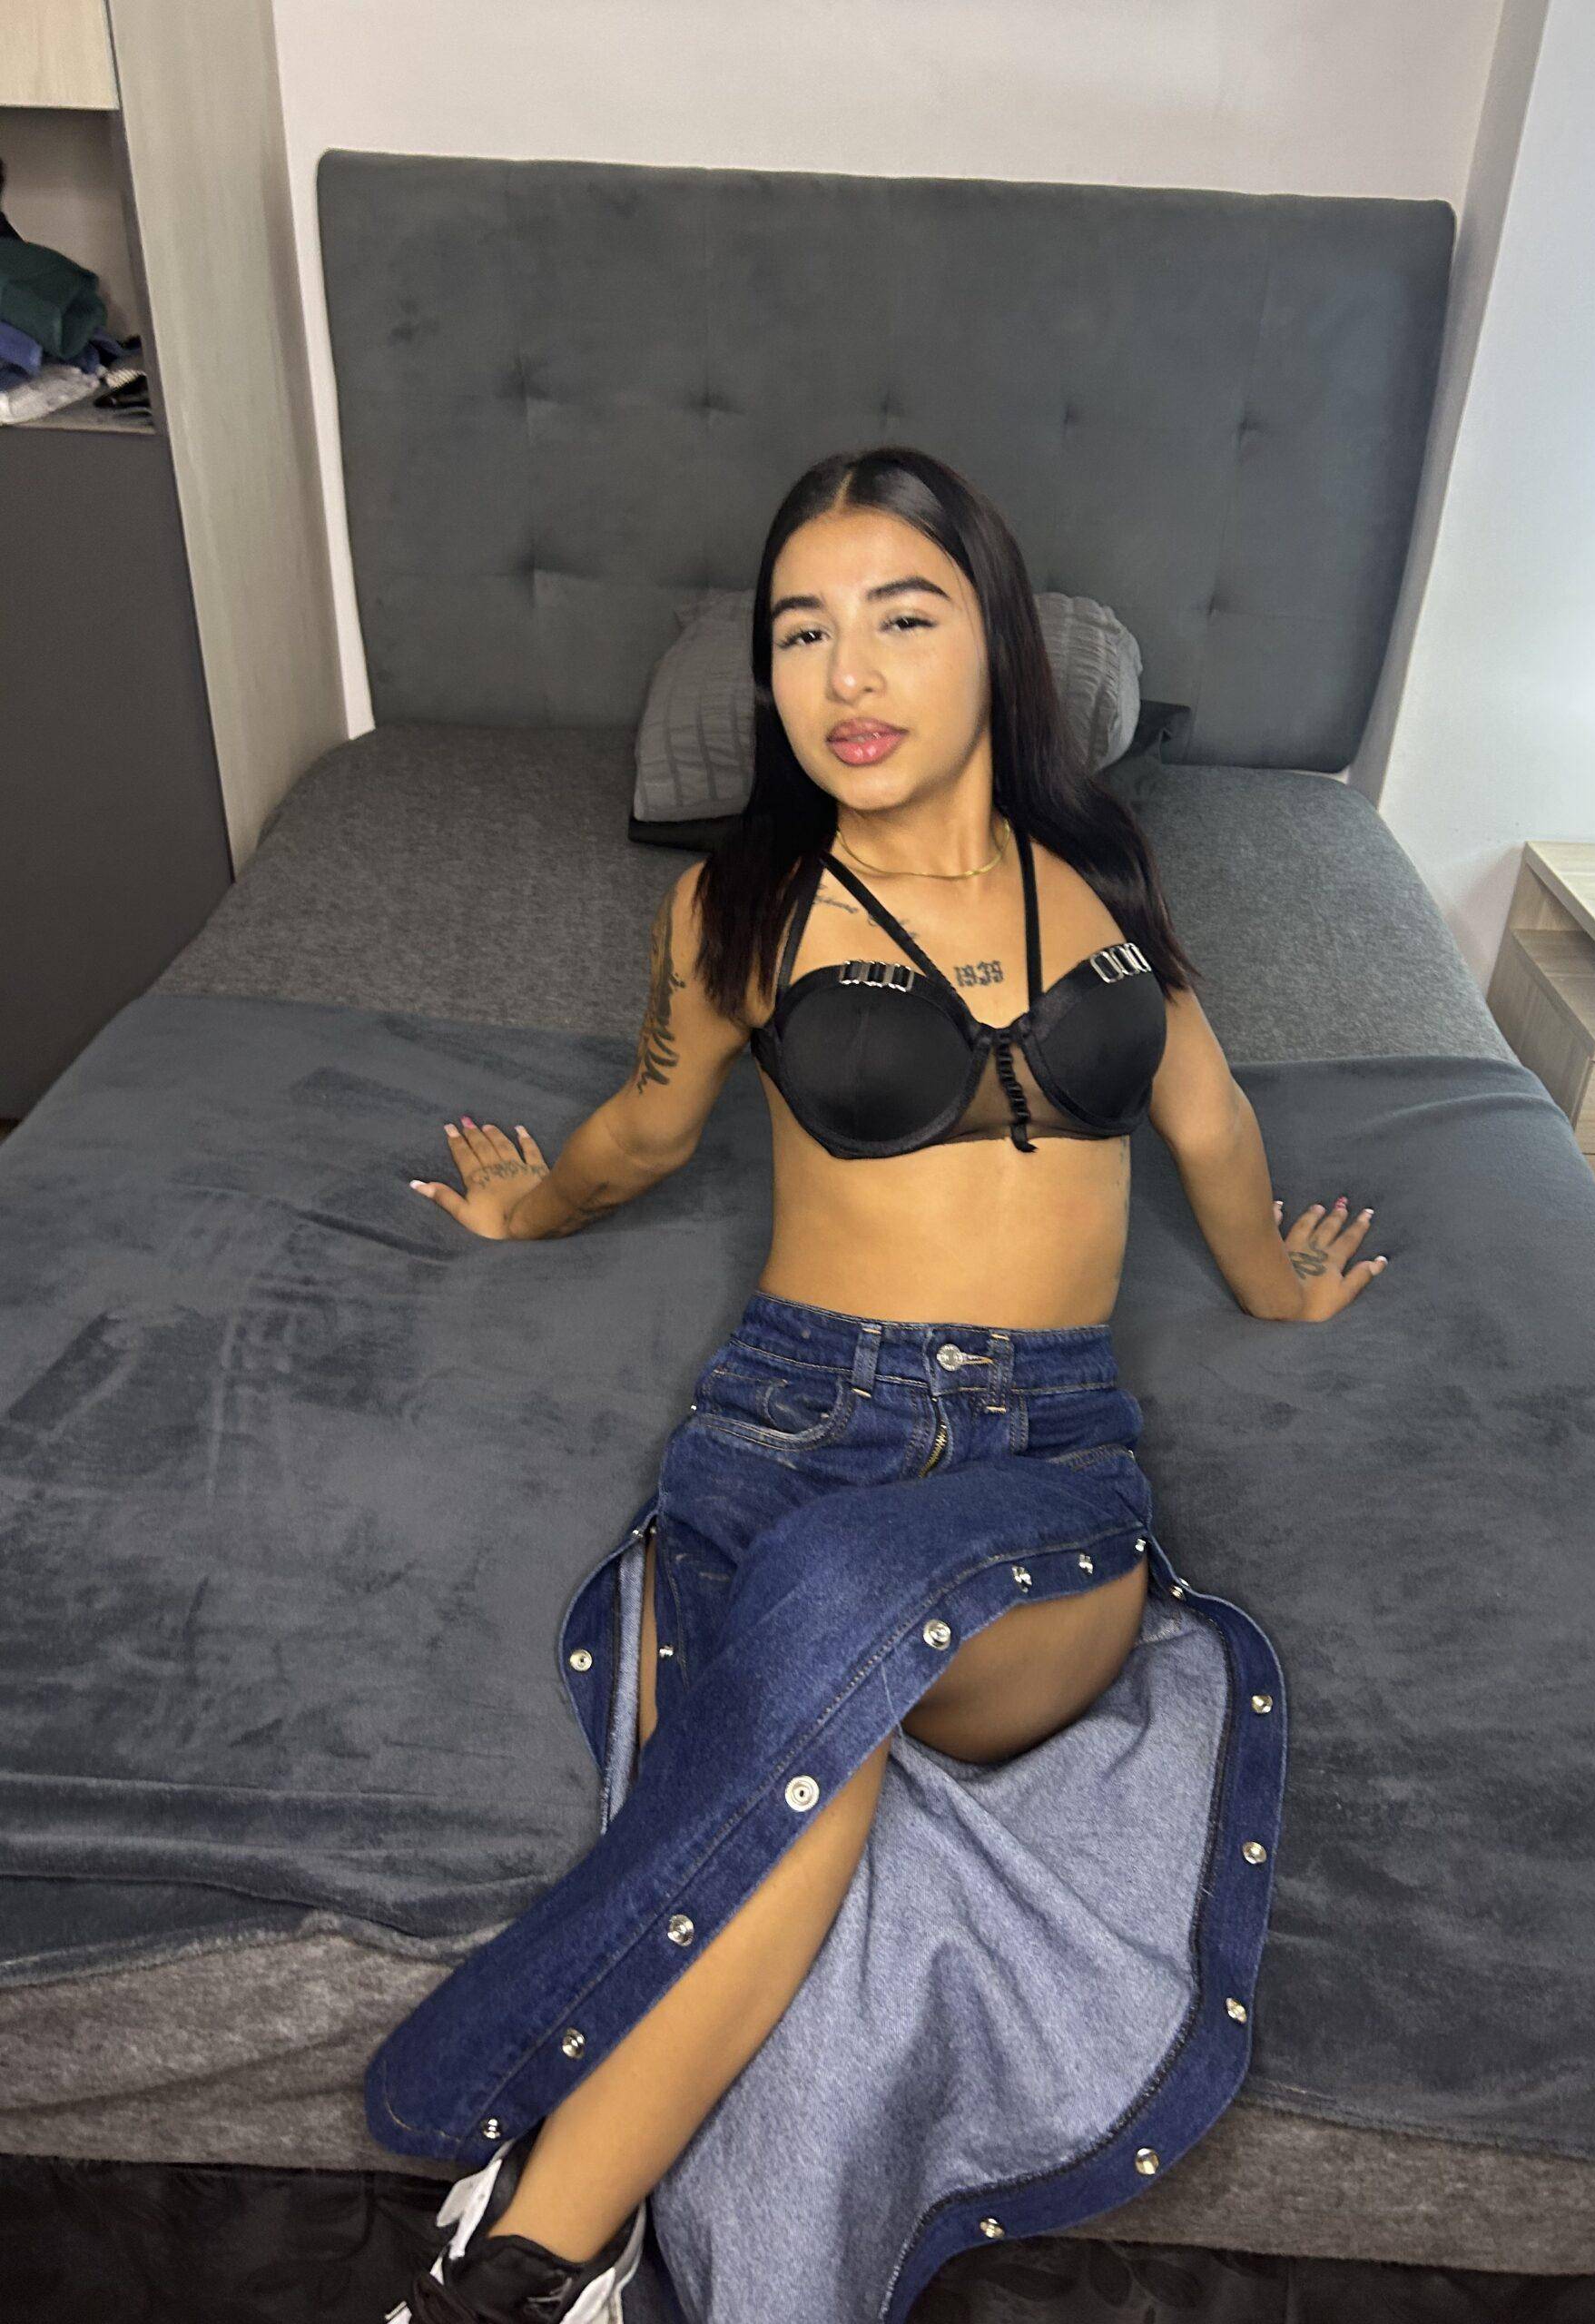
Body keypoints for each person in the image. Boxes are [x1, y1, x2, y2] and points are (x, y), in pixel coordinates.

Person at [382, 444, 1385, 2324]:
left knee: (838, 1609)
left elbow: (1210, 1116)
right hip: (794, 1423)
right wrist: (534, 1204)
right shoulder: (746, 905)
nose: (845, 675)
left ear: (993, 642)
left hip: (1051, 1463)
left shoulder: (1108, 885)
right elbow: (646, 1126)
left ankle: (494, 2103)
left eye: (901, 620)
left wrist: (1278, 1279)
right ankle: (530, 2269)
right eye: (799, 633)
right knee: (821, 1724)